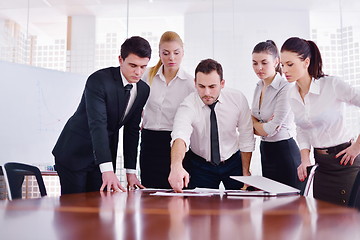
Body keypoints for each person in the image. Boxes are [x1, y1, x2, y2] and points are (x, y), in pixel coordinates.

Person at [52, 36, 152, 194]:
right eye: (133, 65)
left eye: (143, 67)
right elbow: (98, 124)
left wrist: (131, 172)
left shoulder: (143, 90)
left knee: (100, 208)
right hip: (75, 152)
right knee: (75, 211)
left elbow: (132, 131)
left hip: (103, 155)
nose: (138, 72)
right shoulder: (98, 80)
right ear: (120, 59)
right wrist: (107, 169)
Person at [280, 37, 360, 205]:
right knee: (324, 222)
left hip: (345, 162)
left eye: (290, 64)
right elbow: (301, 129)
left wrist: (357, 147)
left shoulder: (332, 85)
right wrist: (304, 159)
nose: (284, 70)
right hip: (321, 166)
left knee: (346, 222)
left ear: (306, 62)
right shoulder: (291, 95)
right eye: (282, 65)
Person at [168, 58, 255, 192]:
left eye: (212, 87)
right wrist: (176, 166)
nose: (207, 93)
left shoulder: (237, 99)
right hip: (200, 164)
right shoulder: (188, 104)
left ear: (222, 83)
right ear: (195, 83)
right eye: (201, 86)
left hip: (233, 161)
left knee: (240, 207)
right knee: (200, 209)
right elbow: (180, 136)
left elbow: (246, 136)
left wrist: (246, 171)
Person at [137, 31, 195, 189]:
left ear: (183, 52)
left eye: (176, 53)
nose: (171, 58)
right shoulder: (146, 76)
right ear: (159, 53)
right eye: (166, 53)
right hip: (149, 141)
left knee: (176, 194)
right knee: (149, 193)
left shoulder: (190, 83)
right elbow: (136, 104)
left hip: (175, 143)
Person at [251, 40, 303, 189]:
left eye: (264, 62)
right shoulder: (259, 86)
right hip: (266, 151)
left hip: (284, 151)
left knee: (290, 206)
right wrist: (261, 124)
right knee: (270, 206)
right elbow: (250, 119)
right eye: (254, 63)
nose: (259, 68)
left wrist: (255, 124)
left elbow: (271, 129)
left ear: (276, 62)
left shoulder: (286, 87)